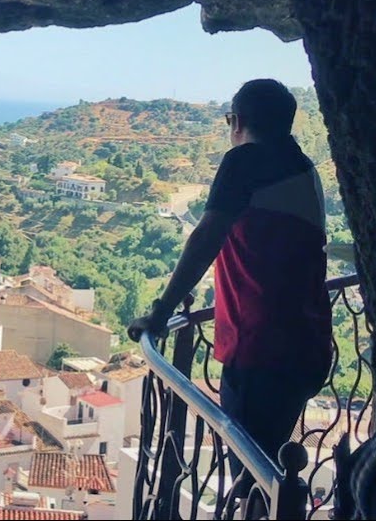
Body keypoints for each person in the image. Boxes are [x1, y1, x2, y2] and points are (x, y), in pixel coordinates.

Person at [128, 79, 332, 490]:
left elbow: (207, 236)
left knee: (251, 478)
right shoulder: (302, 166)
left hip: (261, 349)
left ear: (236, 121)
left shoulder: (246, 161)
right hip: (307, 342)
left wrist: (162, 311)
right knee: (269, 467)